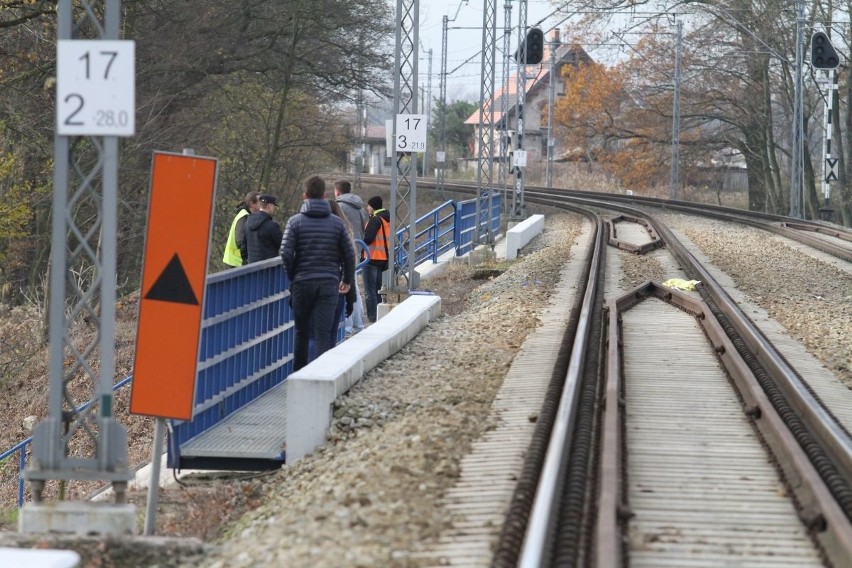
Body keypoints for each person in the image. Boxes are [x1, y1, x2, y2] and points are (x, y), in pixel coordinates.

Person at [280, 176, 356, 370]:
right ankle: (320, 374)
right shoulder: (337, 224)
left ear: (305, 195)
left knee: (301, 332)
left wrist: (293, 275)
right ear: (324, 195)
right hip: (329, 283)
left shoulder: (294, 222)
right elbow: (349, 254)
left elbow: (285, 253)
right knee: (323, 333)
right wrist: (346, 280)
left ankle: (299, 374)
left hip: (302, 283)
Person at [334, 179, 368, 335]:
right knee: (354, 288)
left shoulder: (339, 206)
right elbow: (362, 227)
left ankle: (347, 328)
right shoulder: (360, 207)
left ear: (338, 192)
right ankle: (358, 324)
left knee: (347, 287)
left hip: (346, 249)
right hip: (357, 248)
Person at [362, 195, 390, 324]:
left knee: (370, 292)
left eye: (368, 206)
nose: (367, 208)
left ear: (372, 207)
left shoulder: (375, 220)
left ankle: (373, 318)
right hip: (383, 259)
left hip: (371, 258)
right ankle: (380, 317)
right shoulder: (386, 219)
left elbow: (368, 239)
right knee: (378, 290)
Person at [241, 194, 283, 263]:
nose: (274, 209)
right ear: (269, 206)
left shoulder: (247, 224)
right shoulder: (272, 226)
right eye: (273, 206)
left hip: (252, 269)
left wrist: (247, 262)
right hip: (269, 269)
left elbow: (243, 249)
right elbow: (283, 245)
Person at [222, 191, 260, 267]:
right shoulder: (244, 216)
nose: (262, 205)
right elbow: (239, 240)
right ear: (252, 203)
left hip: (237, 260)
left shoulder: (246, 215)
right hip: (236, 261)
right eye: (259, 202)